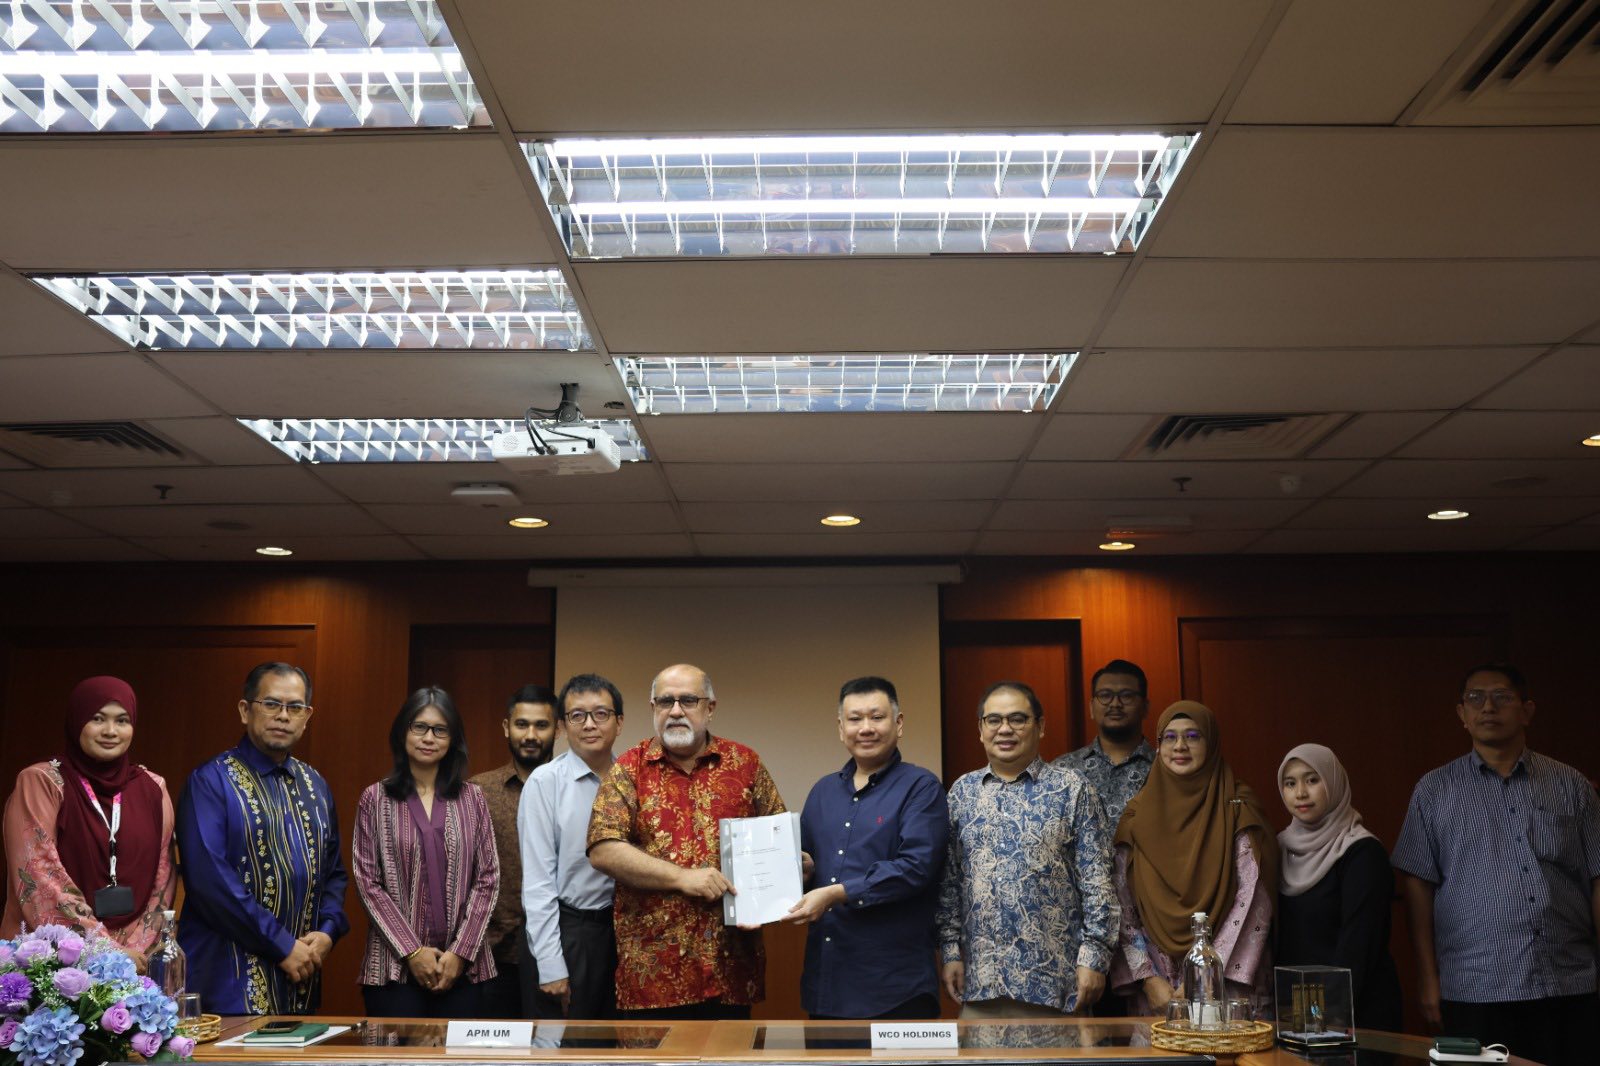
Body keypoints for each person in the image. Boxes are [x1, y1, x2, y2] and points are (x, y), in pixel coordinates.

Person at [1392, 664, 1600, 1066]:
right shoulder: (1434, 790)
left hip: (1567, 980)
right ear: (1462, 715)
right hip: (1474, 986)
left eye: (1502, 697)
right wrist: (1428, 978)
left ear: (1526, 710)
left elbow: (1596, 877)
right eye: (1475, 698)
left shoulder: (1570, 785)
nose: (1488, 707)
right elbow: (1418, 884)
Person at [587, 663, 785, 1019]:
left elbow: (777, 840)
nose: (675, 711)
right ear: (653, 709)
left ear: (710, 708)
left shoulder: (746, 764)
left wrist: (782, 879)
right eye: (665, 701)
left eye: (688, 700)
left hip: (732, 972)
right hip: (653, 976)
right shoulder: (629, 769)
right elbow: (603, 849)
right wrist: (683, 877)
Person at [936, 680, 1118, 1017]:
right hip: (981, 986)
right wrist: (950, 953)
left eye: (1018, 719)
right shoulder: (961, 793)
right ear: (980, 729)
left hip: (1058, 986)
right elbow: (949, 884)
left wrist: (1095, 958)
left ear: (1041, 726)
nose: (1005, 729)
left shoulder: (1073, 790)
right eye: (994, 720)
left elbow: (1098, 883)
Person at [177, 662, 348, 1014]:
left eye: (294, 707)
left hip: (300, 982)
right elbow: (211, 883)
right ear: (245, 710)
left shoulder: (316, 785)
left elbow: (333, 873)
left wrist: (328, 932)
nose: (283, 716)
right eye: (271, 704)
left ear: (307, 716)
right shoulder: (210, 782)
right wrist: (282, 945)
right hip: (228, 984)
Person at [787, 677, 948, 1020]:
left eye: (877, 717)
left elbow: (915, 868)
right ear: (841, 728)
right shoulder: (822, 792)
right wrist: (801, 872)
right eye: (855, 719)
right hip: (826, 985)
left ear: (898, 723)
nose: (866, 728)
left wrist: (837, 893)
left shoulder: (921, 788)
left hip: (895, 989)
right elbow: (807, 867)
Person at [1109, 701, 1278, 1015]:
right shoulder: (1136, 815)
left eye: (1193, 736)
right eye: (1169, 738)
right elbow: (1121, 902)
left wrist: (1201, 974)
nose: (1180, 746)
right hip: (1160, 988)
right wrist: (1147, 978)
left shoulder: (1238, 807)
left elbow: (1253, 900)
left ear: (1211, 743)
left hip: (1226, 986)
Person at [353, 686, 500, 1018]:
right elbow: (368, 884)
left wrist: (461, 953)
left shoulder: (473, 798)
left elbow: (488, 878)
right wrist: (412, 953)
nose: (428, 737)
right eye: (419, 727)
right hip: (394, 971)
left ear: (452, 739)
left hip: (465, 969)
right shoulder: (374, 799)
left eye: (440, 729)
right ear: (402, 731)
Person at [3, 676, 176, 956]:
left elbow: (163, 879)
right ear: (76, 721)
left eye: (122, 721)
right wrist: (105, 951)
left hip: (137, 961)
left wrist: (133, 954)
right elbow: (39, 877)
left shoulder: (154, 788)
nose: (111, 731)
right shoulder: (43, 782)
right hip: (53, 958)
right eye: (97, 719)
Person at [1275, 743, 1403, 1033]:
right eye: (1290, 783)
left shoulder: (1362, 852)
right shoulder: (1278, 848)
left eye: (1312, 779)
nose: (1301, 793)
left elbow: (1358, 946)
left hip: (1355, 1015)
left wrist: (1322, 1017)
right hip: (1295, 1015)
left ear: (1333, 782)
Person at [519, 673, 625, 1019]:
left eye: (601, 714)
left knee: (621, 1044)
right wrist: (550, 964)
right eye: (577, 715)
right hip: (570, 931)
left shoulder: (634, 779)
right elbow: (537, 882)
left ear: (619, 722)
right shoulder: (545, 782)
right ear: (563, 726)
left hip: (625, 933)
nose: (590, 724)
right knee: (565, 1046)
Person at [466, 684, 558, 1018]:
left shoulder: (571, 788)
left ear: (557, 729)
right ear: (507, 727)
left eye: (541, 725)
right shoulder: (479, 791)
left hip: (556, 955)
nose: (531, 734)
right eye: (522, 724)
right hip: (491, 955)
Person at [1057, 659, 1156, 826]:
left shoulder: (1164, 768)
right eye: (1105, 695)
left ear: (1145, 707)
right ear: (1091, 707)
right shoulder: (1063, 769)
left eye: (1127, 696)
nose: (1115, 704)